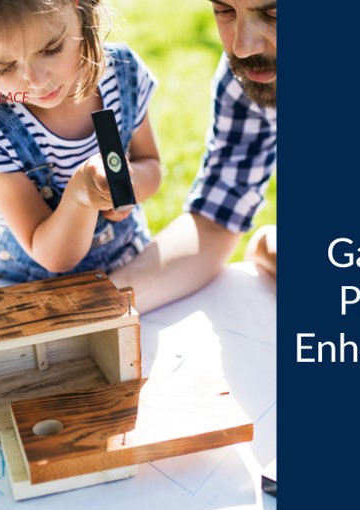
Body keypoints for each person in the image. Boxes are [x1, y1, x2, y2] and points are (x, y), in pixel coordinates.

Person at [0, 0, 161, 282]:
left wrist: (123, 187)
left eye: (51, 49)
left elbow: (150, 165)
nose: (35, 81)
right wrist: (81, 194)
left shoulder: (123, 74)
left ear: (82, 8)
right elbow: (53, 255)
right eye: (3, 67)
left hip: (128, 269)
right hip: (32, 290)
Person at [111, 0, 277, 312]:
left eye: (274, 14)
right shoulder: (250, 79)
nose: (241, 48)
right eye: (224, 10)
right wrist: (96, 307)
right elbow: (215, 220)